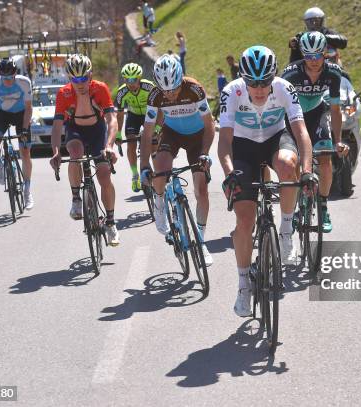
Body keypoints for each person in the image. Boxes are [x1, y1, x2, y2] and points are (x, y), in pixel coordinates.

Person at [218, 45, 314, 317]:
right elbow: (224, 143)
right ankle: (244, 285)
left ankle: (285, 231)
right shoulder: (232, 92)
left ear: (273, 78)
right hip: (243, 148)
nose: (259, 90)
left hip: (275, 139)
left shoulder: (284, 88)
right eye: (253, 83)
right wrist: (229, 174)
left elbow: (301, 133)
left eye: (264, 83)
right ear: (243, 79)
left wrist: (306, 170)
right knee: (244, 221)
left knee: (287, 165)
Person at [140, 55, 215, 266]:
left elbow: (209, 125)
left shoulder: (194, 89)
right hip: (172, 133)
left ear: (180, 79)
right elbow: (146, 134)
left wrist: (205, 153)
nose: (170, 95)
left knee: (201, 189)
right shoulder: (155, 95)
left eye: (173, 89)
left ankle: (201, 241)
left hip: (197, 136)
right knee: (161, 170)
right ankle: (160, 202)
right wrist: (144, 165)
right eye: (165, 91)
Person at [49, 54, 120, 246]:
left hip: (97, 131)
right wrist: (55, 151)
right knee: (75, 154)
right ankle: (76, 199)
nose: (80, 84)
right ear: (69, 78)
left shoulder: (100, 88)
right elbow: (57, 127)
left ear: (91, 76)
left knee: (104, 174)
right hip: (76, 131)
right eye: (75, 79)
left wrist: (110, 146)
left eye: (84, 79)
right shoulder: (63, 93)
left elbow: (112, 120)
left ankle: (111, 223)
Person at [282, 31, 349, 233]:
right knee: (294, 165)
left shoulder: (333, 73)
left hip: (317, 114)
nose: (313, 61)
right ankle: (294, 208)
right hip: (293, 118)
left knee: (326, 159)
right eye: (308, 56)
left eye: (317, 56)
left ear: (325, 54)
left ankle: (323, 205)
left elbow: (336, 111)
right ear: (302, 54)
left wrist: (338, 140)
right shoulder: (291, 73)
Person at [0, 57, 34, 209]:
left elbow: (29, 108)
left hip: (21, 115)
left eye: (10, 77)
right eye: (4, 77)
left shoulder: (24, 82)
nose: (8, 80)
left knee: (25, 152)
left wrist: (24, 129)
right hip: (2, 115)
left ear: (15, 73)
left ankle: (27, 189)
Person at [114, 63, 156, 192]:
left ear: (140, 78)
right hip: (133, 115)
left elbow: (160, 107)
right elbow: (120, 114)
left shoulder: (149, 87)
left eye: (134, 79)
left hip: (149, 114)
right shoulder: (122, 92)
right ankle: (135, 175)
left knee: (154, 142)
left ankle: (158, 171)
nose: (131, 83)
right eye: (127, 80)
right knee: (131, 141)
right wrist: (118, 133)